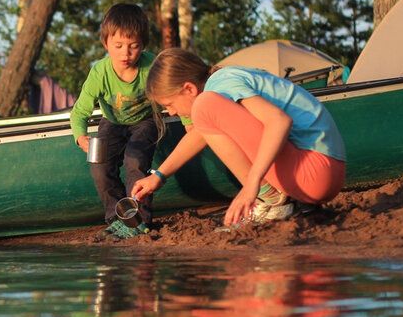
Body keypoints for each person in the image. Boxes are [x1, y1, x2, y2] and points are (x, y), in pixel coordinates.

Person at [130, 48, 346, 227]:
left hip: (314, 170)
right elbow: (200, 134)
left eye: (169, 104)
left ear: (188, 88)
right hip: (322, 172)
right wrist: (159, 175)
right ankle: (273, 197)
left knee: (203, 107)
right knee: (204, 111)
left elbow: (279, 122)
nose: (172, 112)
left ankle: (269, 199)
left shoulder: (221, 85)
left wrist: (251, 185)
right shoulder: (224, 82)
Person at [70, 4, 157, 239]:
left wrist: (189, 124)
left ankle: (140, 220)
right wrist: (80, 137)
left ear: (143, 45)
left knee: (135, 163)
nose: (125, 54)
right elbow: (79, 113)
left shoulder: (152, 67)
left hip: (145, 121)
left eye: (133, 46)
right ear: (105, 43)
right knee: (99, 167)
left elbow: (174, 89)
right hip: (112, 121)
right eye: (117, 46)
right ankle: (118, 217)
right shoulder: (99, 73)